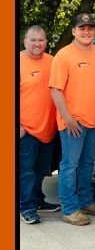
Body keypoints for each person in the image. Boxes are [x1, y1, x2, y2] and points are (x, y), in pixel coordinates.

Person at [49, 13, 95, 226]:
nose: (86, 32)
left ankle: (86, 201)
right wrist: (68, 118)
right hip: (73, 122)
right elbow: (55, 90)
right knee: (69, 165)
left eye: (90, 28)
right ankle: (70, 208)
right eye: (81, 28)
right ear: (74, 31)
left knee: (86, 163)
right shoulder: (63, 55)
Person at [19, 26, 58, 224]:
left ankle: (37, 200)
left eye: (41, 40)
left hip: (48, 129)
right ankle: (26, 207)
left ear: (46, 41)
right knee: (26, 171)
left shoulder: (53, 61)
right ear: (25, 41)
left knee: (42, 170)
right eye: (33, 40)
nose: (37, 44)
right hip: (26, 130)